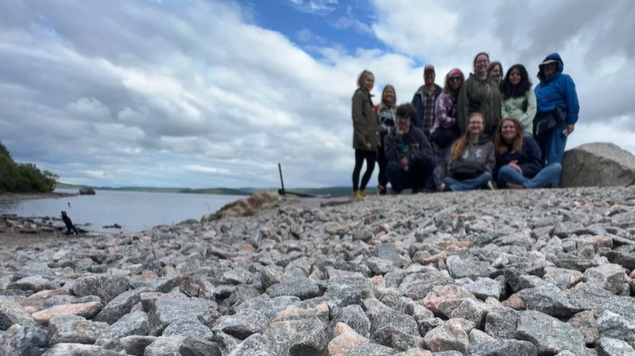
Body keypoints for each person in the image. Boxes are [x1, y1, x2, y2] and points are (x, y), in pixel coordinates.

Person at [533, 53, 580, 175]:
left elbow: (573, 101)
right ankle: (538, 182)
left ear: (557, 66)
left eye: (551, 64)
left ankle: (552, 183)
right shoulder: (538, 87)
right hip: (539, 124)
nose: (548, 67)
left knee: (554, 153)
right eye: (545, 66)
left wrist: (571, 121)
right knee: (537, 154)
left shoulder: (565, 79)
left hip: (558, 120)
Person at [494, 117, 562, 189]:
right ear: (500, 130)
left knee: (557, 167)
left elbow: (539, 164)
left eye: (511, 127)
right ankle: (537, 185)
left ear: (517, 129)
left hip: (530, 175)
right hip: (509, 177)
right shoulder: (495, 146)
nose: (508, 129)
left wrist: (520, 168)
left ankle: (525, 186)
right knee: (504, 170)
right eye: (505, 127)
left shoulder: (528, 141)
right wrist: (508, 166)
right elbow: (494, 171)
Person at [384, 103, 436, 194]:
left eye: (406, 118)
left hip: (415, 171)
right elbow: (390, 156)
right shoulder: (389, 136)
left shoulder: (418, 133)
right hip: (400, 173)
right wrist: (399, 136)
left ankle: (419, 187)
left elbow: (428, 150)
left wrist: (410, 157)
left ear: (410, 119)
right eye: (400, 117)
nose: (402, 121)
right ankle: (396, 189)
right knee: (391, 166)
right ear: (396, 118)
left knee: (431, 160)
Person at [441, 113, 495, 192]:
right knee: (446, 180)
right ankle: (478, 186)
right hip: (462, 175)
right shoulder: (459, 143)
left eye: (478, 122)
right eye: (472, 122)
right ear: (468, 125)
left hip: (479, 174)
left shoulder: (489, 144)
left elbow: (491, 163)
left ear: (483, 126)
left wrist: (481, 170)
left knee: (487, 176)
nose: (475, 125)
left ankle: (454, 188)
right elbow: (452, 162)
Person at [430, 68, 464, 190]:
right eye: (452, 79)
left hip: (456, 136)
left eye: (457, 78)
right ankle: (440, 187)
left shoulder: (462, 97)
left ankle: (452, 186)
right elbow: (442, 118)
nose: (455, 81)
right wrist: (457, 121)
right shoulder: (443, 96)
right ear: (448, 81)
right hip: (441, 135)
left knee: (453, 161)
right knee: (441, 162)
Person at [458, 52, 503, 137]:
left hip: (495, 132)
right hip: (477, 131)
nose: (482, 63)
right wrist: (465, 131)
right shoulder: (467, 84)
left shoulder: (494, 84)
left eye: (485, 61)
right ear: (474, 66)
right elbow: (462, 110)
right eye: (479, 62)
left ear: (488, 64)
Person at [351, 70, 380, 200]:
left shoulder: (369, 98)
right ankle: (355, 190)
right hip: (361, 139)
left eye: (372, 81)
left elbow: (374, 122)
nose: (370, 83)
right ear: (361, 80)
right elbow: (356, 117)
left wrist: (377, 140)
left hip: (372, 140)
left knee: (371, 167)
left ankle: (363, 189)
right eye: (368, 80)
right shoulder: (358, 95)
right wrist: (360, 137)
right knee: (358, 165)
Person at [501, 64, 537, 136]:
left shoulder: (528, 90)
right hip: (508, 128)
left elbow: (532, 108)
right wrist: (509, 123)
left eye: (518, 74)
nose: (515, 76)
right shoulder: (503, 92)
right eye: (512, 74)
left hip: (524, 127)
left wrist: (519, 123)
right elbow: (502, 108)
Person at [374, 85, 397, 195]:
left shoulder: (397, 110)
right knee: (382, 166)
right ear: (383, 94)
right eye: (386, 92)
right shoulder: (377, 108)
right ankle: (382, 191)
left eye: (391, 92)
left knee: (393, 165)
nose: (389, 94)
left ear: (394, 95)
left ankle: (393, 187)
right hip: (381, 139)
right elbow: (373, 125)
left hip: (394, 140)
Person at [412, 64, 443, 136]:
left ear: (434, 76)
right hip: (420, 134)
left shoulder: (442, 95)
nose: (429, 76)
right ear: (424, 76)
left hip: (437, 135)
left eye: (431, 73)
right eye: (427, 73)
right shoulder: (417, 95)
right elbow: (411, 115)